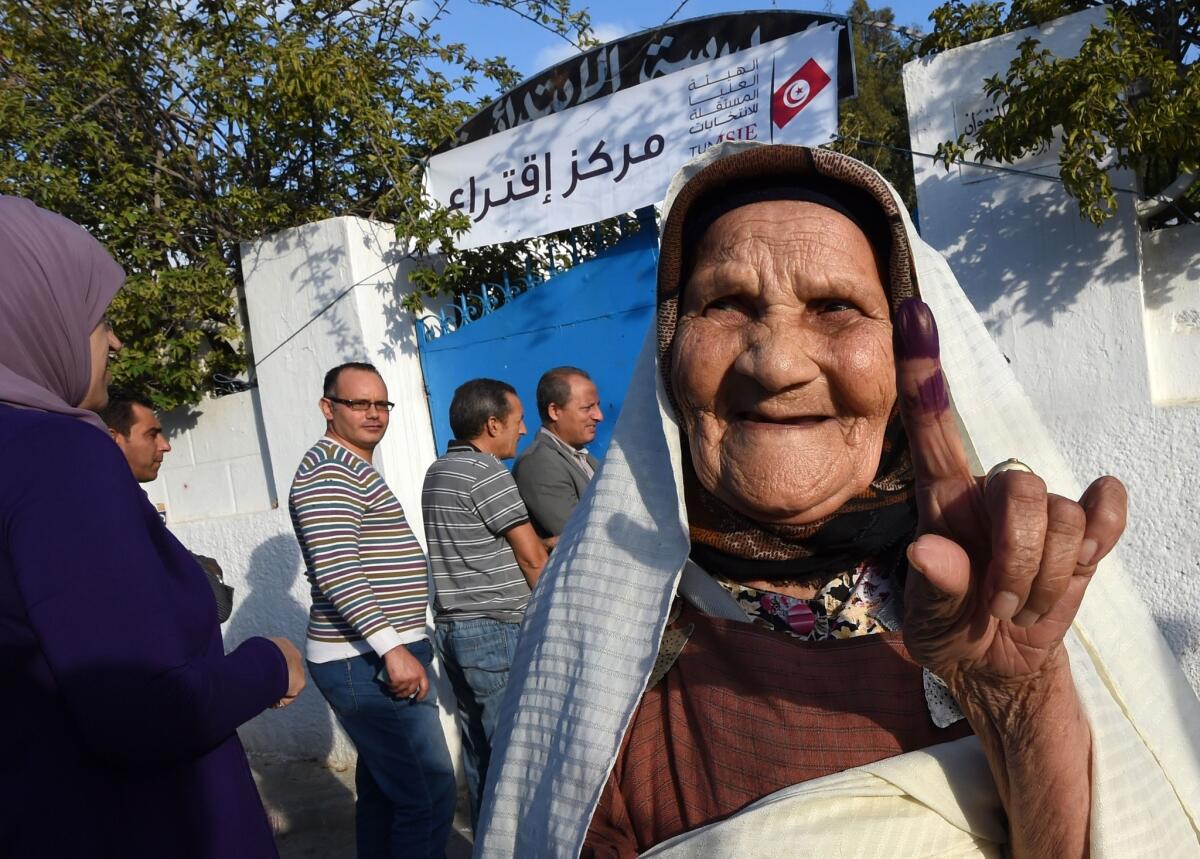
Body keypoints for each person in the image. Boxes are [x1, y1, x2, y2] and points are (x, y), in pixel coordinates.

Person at [473, 143, 1200, 857]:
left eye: (835, 307)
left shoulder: (1007, 591)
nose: (776, 362)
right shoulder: (601, 637)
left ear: (905, 354)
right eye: (725, 303)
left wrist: (1018, 697)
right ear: (669, 352)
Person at [0, 195, 306, 858]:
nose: (113, 340)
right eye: (98, 316)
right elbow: (139, 707)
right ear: (30, 311)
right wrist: (269, 663)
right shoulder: (56, 455)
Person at [289, 361, 456, 859]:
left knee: (388, 794)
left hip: (374, 655)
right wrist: (392, 649)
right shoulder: (327, 471)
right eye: (358, 403)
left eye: (381, 403)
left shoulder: (350, 465)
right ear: (328, 407)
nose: (374, 414)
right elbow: (339, 571)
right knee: (427, 794)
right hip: (365, 660)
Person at [422, 378, 548, 827]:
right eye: (516, 421)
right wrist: (554, 614)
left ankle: (487, 843)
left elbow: (476, 543)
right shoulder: (487, 472)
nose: (523, 429)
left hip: (455, 630)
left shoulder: (439, 471)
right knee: (516, 755)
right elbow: (530, 556)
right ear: (492, 424)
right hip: (496, 630)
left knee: (481, 752)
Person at [99, 391, 235, 623]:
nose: (165, 446)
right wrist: (206, 572)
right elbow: (215, 607)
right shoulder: (112, 507)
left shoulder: (127, 498)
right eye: (152, 435)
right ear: (114, 438)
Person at [514, 366, 603, 538]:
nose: (599, 416)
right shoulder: (539, 464)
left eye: (597, 406)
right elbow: (579, 535)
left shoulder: (580, 456)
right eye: (587, 408)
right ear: (554, 411)